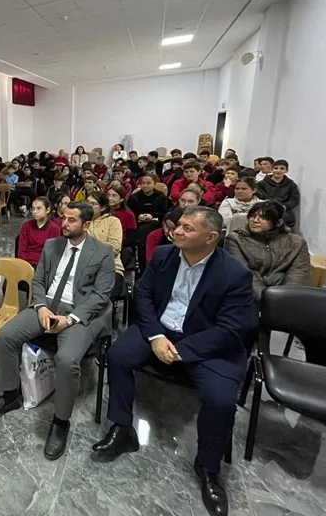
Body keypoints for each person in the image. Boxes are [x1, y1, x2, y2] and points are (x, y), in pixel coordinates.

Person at [91, 206, 253, 516]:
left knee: (220, 398)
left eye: (187, 229)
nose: (177, 231)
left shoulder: (234, 274)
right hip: (160, 330)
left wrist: (182, 350)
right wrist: (155, 337)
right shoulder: (165, 256)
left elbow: (231, 330)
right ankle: (122, 429)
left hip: (205, 342)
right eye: (178, 225)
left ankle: (208, 468)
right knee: (118, 356)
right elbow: (144, 297)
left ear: (211, 238)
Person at [0, 202, 115, 461]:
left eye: (72, 220)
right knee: (6, 336)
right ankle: (10, 396)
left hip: (77, 313)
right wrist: (40, 307)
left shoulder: (102, 252)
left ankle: (60, 422)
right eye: (64, 218)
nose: (65, 223)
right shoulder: (52, 245)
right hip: (46, 307)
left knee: (67, 360)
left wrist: (70, 319)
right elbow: (38, 280)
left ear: (86, 225)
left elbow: (101, 295)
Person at [225, 201, 326, 371]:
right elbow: (244, 275)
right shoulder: (236, 239)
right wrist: (267, 302)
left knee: (324, 336)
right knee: (241, 329)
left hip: (287, 303)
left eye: (263, 218)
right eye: (253, 216)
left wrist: (281, 304)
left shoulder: (296, 243)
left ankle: (319, 380)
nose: (255, 220)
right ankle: (234, 375)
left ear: (277, 222)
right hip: (250, 300)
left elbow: (298, 278)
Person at [87, 191, 125, 300]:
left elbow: (114, 248)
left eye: (93, 204)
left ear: (102, 207)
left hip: (111, 268)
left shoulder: (113, 221)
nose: (89, 206)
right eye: (87, 202)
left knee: (101, 298)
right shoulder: (81, 221)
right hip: (84, 267)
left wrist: (90, 247)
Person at [17, 197, 61, 267]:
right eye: (33, 209)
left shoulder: (54, 229)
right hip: (25, 264)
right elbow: (21, 250)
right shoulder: (26, 226)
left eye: (38, 208)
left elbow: (51, 254)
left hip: (43, 266)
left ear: (47, 210)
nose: (34, 211)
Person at [256, 159, 300, 227]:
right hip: (265, 208)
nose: (278, 170)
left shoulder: (291, 185)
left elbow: (294, 199)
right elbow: (259, 194)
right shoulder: (262, 183)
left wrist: (285, 206)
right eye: (276, 168)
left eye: (282, 168)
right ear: (272, 169)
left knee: (289, 220)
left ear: (286, 170)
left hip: (283, 210)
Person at [127, 173, 169, 239]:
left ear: (154, 184)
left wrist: (152, 216)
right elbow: (130, 212)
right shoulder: (135, 197)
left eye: (148, 183)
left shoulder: (161, 196)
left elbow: (164, 212)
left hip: (155, 222)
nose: (145, 186)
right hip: (138, 222)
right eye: (143, 183)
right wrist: (139, 216)